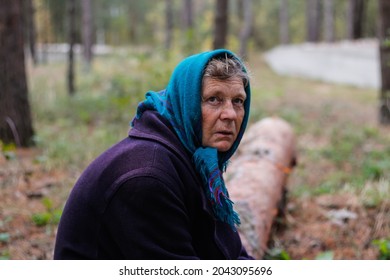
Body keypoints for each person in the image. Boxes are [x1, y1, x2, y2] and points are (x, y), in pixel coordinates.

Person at [54, 49, 253, 260]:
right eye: (214, 99)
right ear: (187, 103)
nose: (230, 114)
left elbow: (230, 253)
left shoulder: (199, 156)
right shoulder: (148, 177)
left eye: (238, 101)